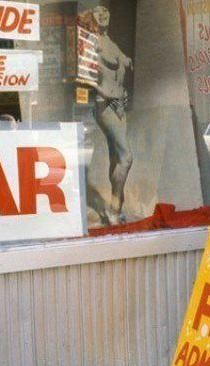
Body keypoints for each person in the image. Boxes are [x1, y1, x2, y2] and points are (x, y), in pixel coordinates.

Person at [86, 6, 134, 225]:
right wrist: (104, 92)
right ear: (91, 20)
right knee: (126, 157)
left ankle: (116, 209)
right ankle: (114, 205)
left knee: (116, 156)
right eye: (98, 14)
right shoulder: (92, 42)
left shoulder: (108, 40)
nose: (103, 16)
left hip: (119, 103)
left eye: (106, 13)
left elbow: (123, 60)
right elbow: (86, 75)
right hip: (106, 105)